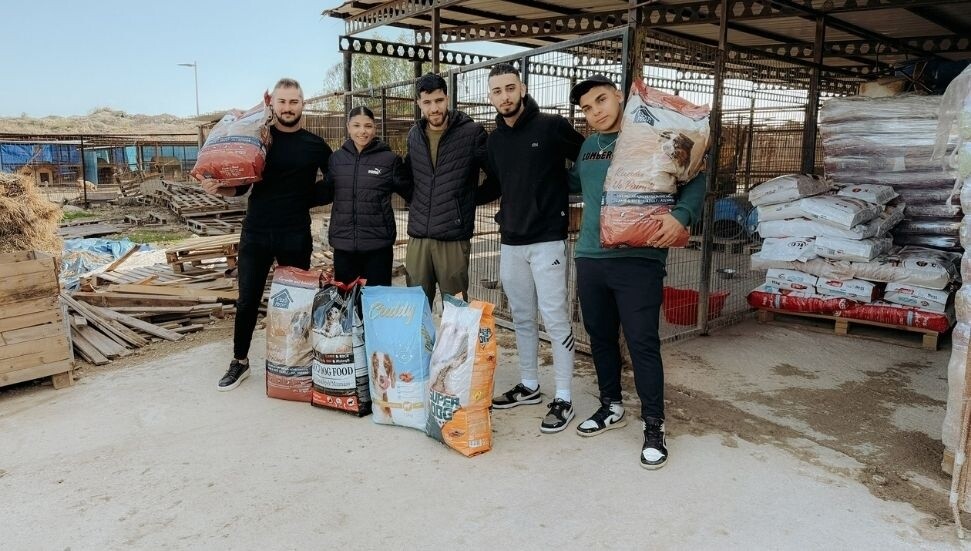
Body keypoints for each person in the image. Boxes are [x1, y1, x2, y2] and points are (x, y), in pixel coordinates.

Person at [568, 74, 706, 469]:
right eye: (587, 108)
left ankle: (654, 425)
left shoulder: (651, 132)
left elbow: (695, 174)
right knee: (599, 337)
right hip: (591, 255)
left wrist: (682, 215)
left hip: (640, 257)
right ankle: (610, 405)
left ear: (618, 97)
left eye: (601, 100)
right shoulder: (589, 146)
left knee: (642, 342)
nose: (595, 111)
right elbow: (575, 184)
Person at [201, 78, 333, 392]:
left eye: (294, 102)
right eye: (282, 102)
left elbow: (334, 182)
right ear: (272, 104)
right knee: (247, 300)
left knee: (299, 302)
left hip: (294, 233)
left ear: (303, 104)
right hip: (256, 232)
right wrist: (221, 188)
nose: (288, 108)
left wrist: (305, 197)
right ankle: (239, 361)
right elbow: (243, 183)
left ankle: (298, 360)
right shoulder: (257, 137)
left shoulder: (315, 145)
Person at [476, 63, 585, 434]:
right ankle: (530, 385)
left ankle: (565, 396)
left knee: (554, 318)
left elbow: (588, 159)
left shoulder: (552, 127)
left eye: (510, 88)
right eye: (496, 91)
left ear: (522, 88)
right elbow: (496, 184)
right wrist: (461, 200)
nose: (504, 96)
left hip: (547, 240)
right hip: (511, 242)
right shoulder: (493, 141)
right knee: (521, 317)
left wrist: (564, 193)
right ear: (490, 97)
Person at [403, 73, 489, 306]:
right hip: (419, 236)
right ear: (419, 103)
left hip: (453, 237)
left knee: (456, 310)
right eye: (428, 102)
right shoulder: (414, 135)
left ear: (447, 99)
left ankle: (457, 345)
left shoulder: (471, 133)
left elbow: (497, 177)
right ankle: (423, 345)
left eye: (439, 101)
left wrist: (467, 201)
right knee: (416, 308)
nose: (434, 108)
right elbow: (409, 178)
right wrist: (418, 202)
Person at [320, 106, 411, 286]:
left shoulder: (389, 160)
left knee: (376, 305)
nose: (362, 131)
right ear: (348, 127)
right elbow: (326, 191)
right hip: (344, 245)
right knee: (347, 304)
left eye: (368, 126)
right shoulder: (337, 159)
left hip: (378, 247)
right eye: (357, 126)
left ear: (374, 128)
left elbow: (411, 192)